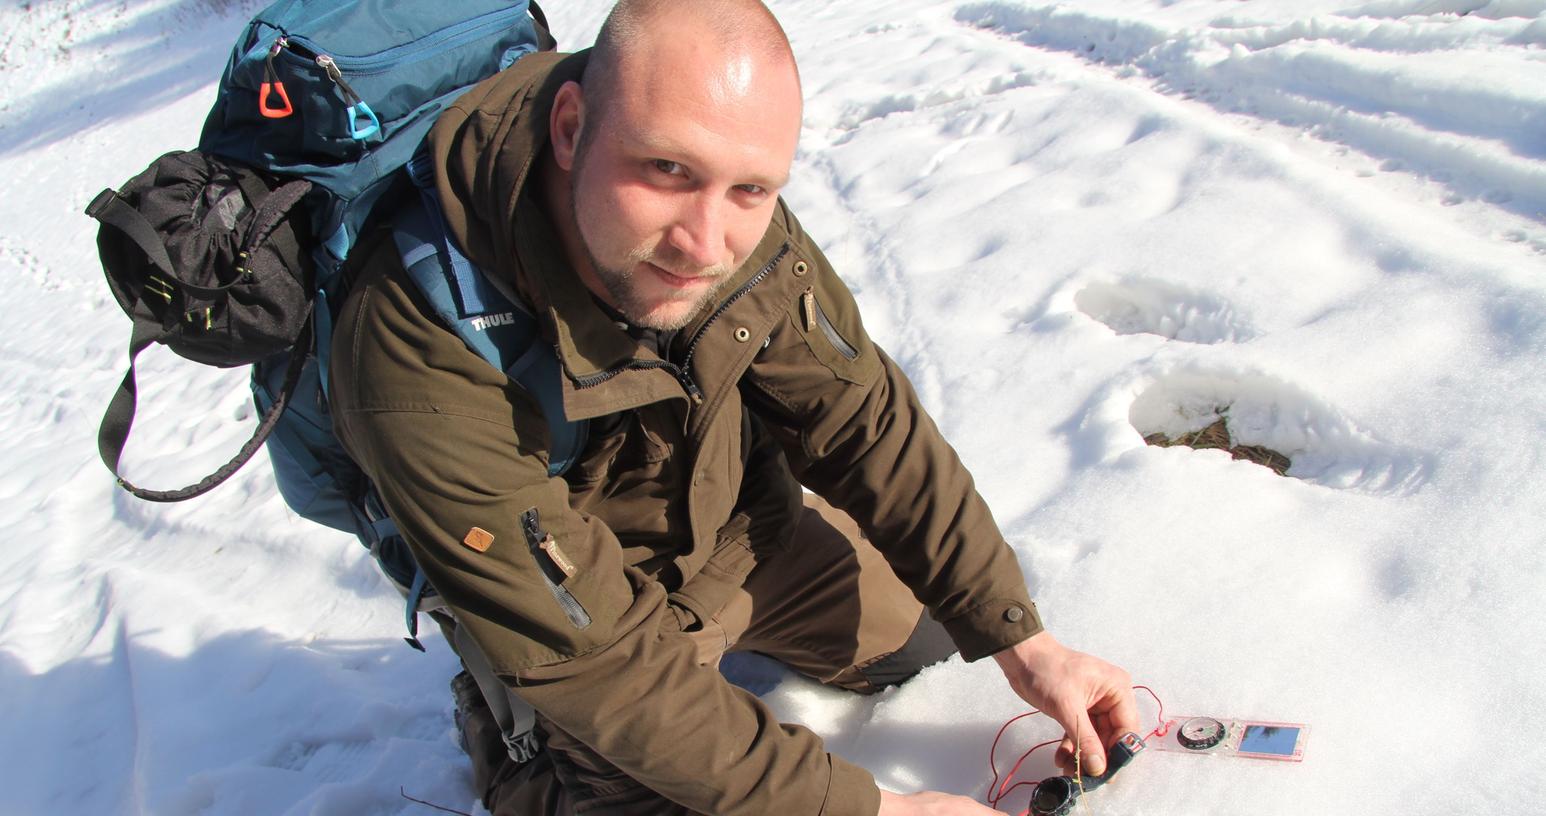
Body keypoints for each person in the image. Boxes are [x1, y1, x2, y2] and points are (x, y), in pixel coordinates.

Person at [329, 0, 1138, 813]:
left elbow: (862, 421)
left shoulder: (734, 221)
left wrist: (1023, 641)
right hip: (589, 618)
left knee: (930, 637)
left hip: (742, 537)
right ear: (571, 129)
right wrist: (875, 811)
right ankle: (511, 732)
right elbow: (602, 666)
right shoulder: (415, 337)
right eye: (666, 172)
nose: (705, 244)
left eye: (751, 188)